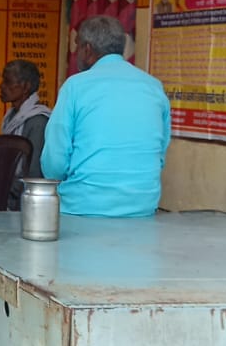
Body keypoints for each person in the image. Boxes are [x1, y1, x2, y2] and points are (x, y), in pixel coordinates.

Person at [40, 15, 171, 218]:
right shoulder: (153, 86)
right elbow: (160, 154)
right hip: (142, 207)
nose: (76, 54)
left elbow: (54, 163)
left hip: (82, 207)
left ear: (88, 49)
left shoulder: (76, 86)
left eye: (77, 47)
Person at [0, 59, 52, 189]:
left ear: (25, 87)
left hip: (24, 194)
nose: (1, 86)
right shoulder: (11, 117)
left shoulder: (37, 122)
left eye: (7, 82)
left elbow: (33, 174)